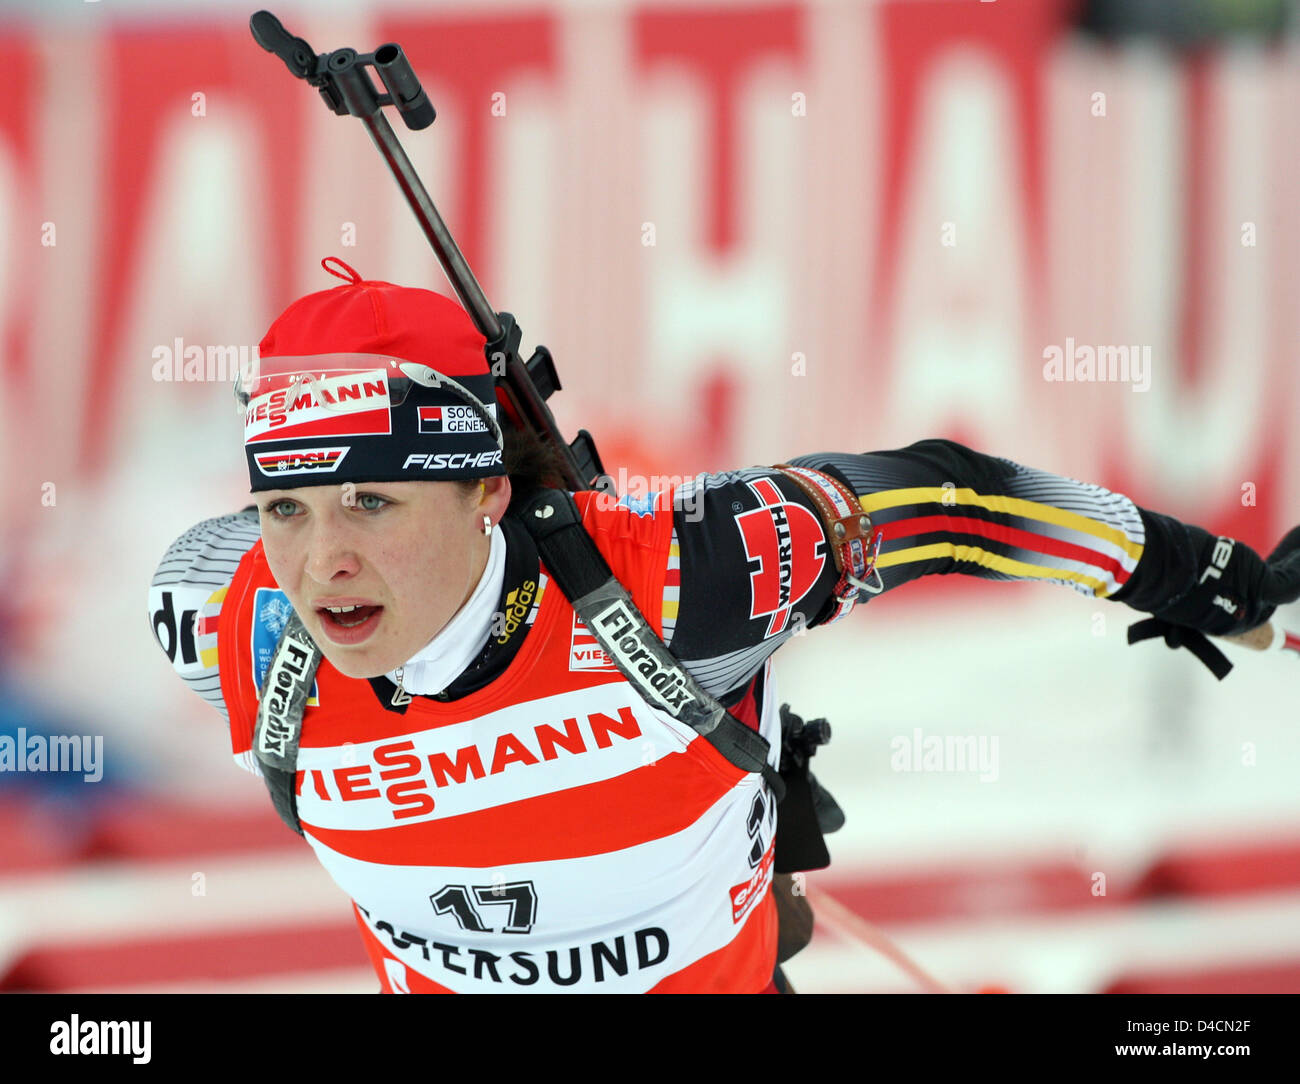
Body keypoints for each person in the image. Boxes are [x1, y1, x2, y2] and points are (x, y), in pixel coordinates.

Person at [149, 257, 1300, 994]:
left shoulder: (683, 578)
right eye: (282, 509)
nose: (319, 561)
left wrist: (1205, 579)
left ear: (488, 489)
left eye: (372, 503)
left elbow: (949, 498)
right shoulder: (225, 616)